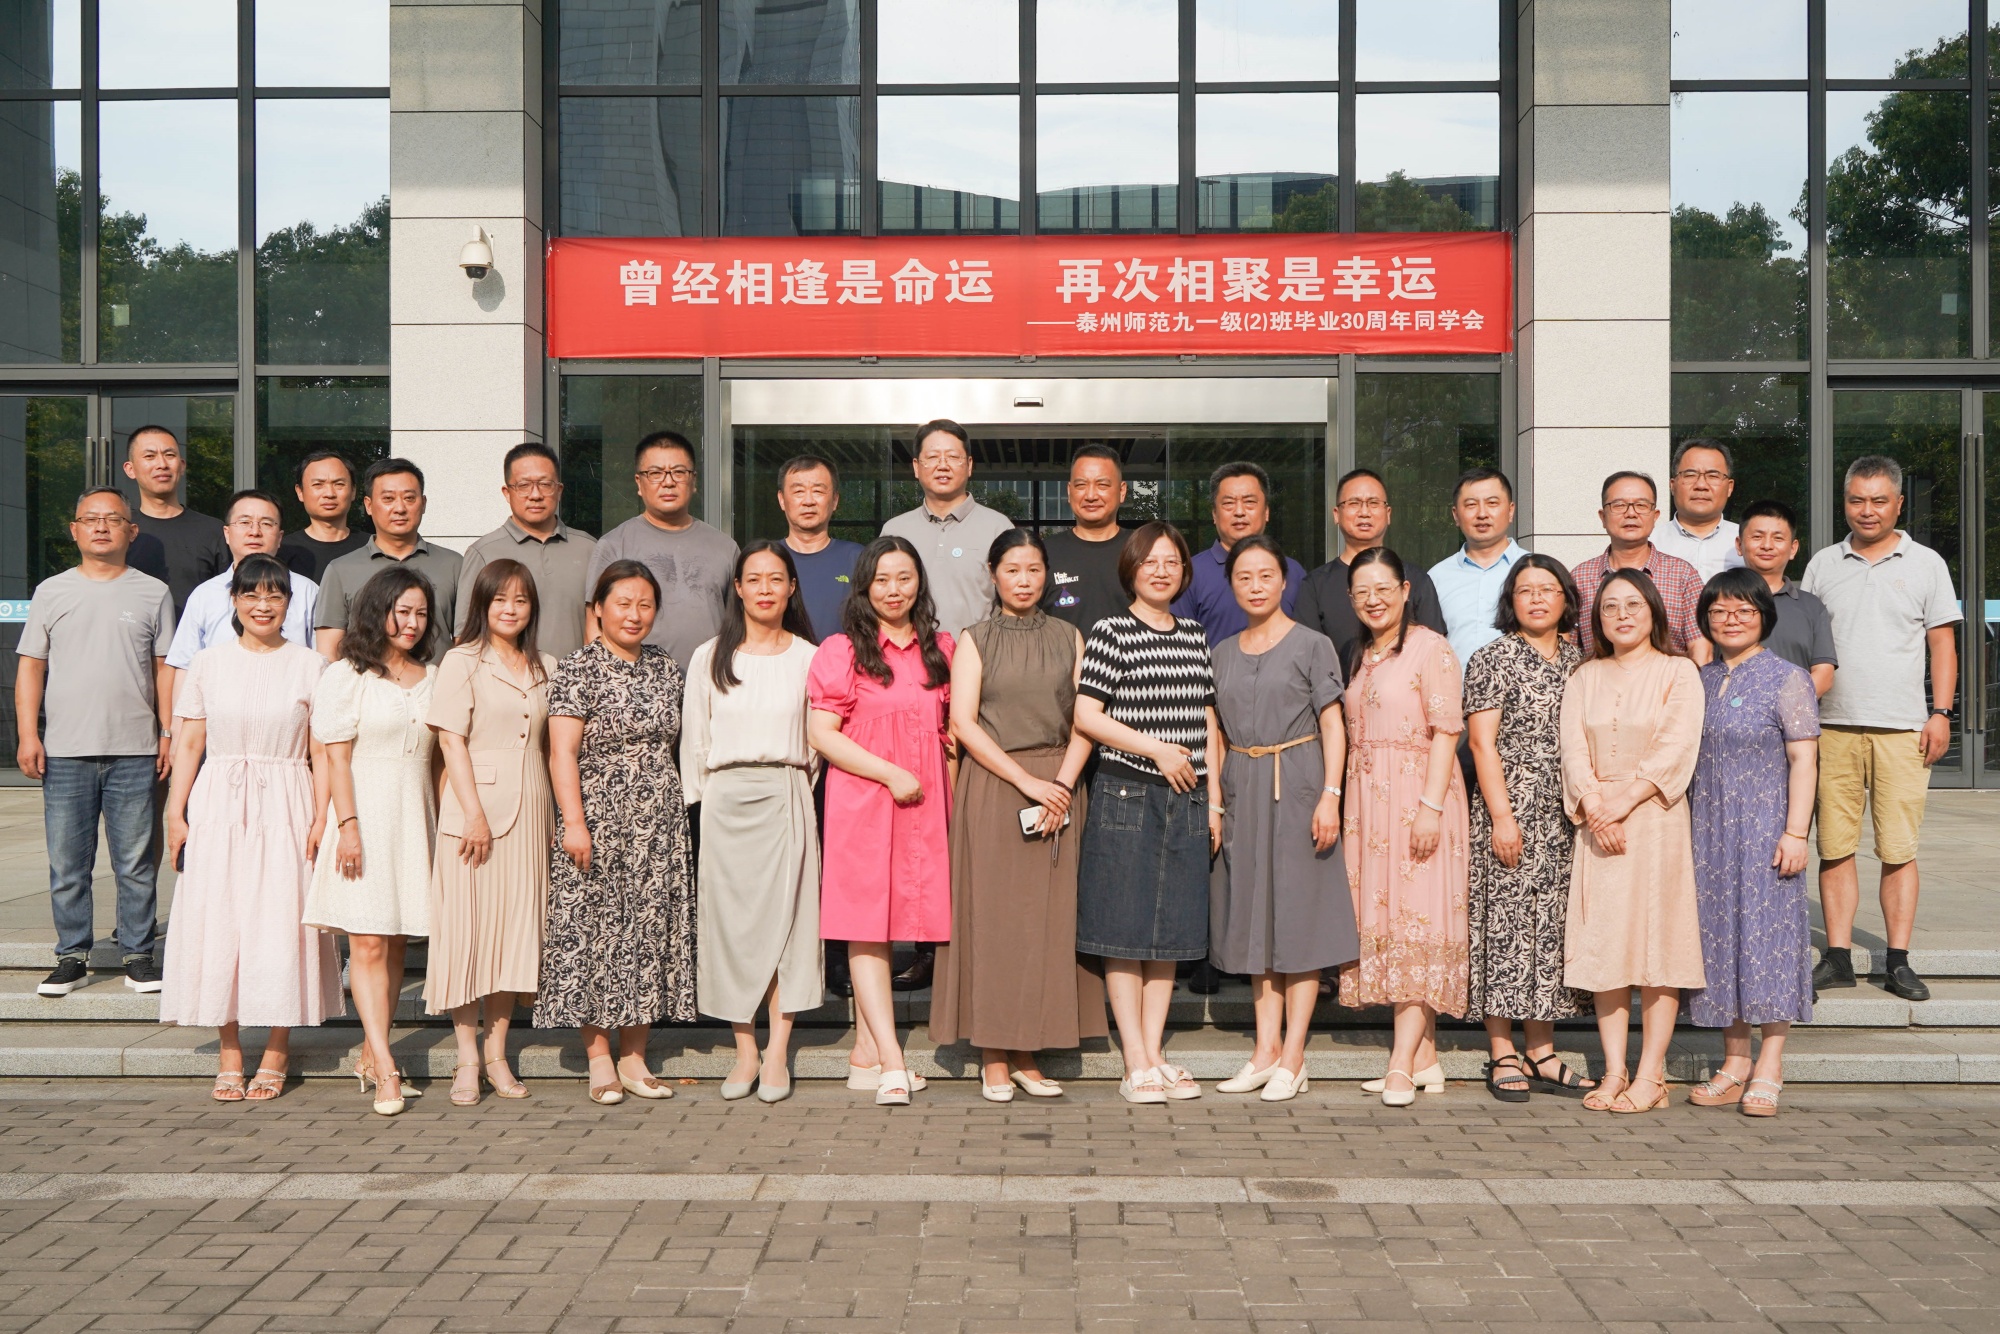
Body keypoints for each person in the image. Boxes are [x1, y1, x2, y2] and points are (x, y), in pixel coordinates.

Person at [158, 554, 339, 1102]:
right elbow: (190, 742)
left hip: (287, 799)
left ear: (289, 603)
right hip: (218, 800)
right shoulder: (208, 663)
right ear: (234, 601)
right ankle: (230, 1051)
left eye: (275, 595)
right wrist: (175, 812)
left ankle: (278, 1048)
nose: (264, 605)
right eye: (252, 595)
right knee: (219, 917)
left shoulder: (312, 665)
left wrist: (322, 817)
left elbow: (322, 751)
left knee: (282, 919)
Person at [932, 530, 1105, 1103]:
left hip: (1061, 784)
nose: (1024, 580)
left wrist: (1062, 785)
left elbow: (1086, 718)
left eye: (1034, 569)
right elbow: (963, 723)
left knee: (1049, 924)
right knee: (996, 922)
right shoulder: (974, 639)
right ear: (993, 574)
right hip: (996, 785)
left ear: (1046, 574)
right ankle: (994, 1053)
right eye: (1012, 569)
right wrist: (1027, 782)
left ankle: (1031, 1050)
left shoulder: (1070, 636)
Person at [1801, 455, 1961, 1004]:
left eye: (1878, 500)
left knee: (1898, 848)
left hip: (1902, 729)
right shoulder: (1823, 563)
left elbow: (1942, 644)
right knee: (1834, 846)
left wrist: (1941, 712)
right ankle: (1838, 957)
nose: (1866, 510)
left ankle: (1898, 960)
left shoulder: (1927, 563)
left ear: (1898, 503)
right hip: (1831, 727)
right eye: (1856, 500)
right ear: (1845, 502)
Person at [1073, 522, 1222, 1105]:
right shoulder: (1111, 631)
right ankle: (1133, 1057)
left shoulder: (1194, 635)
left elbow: (1207, 722)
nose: (1161, 571)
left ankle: (1155, 1052)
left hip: (1190, 797)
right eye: (1150, 561)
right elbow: (1087, 715)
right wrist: (1156, 749)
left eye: (1171, 562)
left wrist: (1215, 800)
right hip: (1127, 794)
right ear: (1131, 569)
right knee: (1125, 929)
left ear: (1184, 572)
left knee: (1172, 934)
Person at [539, 561, 697, 1105]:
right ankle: (598, 1057)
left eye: (644, 604)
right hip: (599, 817)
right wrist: (574, 822)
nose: (634, 614)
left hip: (659, 821)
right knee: (596, 931)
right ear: (599, 610)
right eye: (623, 603)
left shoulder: (665, 667)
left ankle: (634, 1055)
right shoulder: (577, 668)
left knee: (650, 930)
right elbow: (562, 753)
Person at [807, 536, 956, 1106]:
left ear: (919, 583)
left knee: (902, 922)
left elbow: (952, 732)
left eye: (904, 578)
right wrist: (890, 773)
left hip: (925, 804)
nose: (894, 590)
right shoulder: (842, 651)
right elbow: (822, 735)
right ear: (864, 587)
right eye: (882, 580)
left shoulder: (941, 648)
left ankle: (866, 1054)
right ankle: (894, 1061)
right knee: (867, 926)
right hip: (865, 800)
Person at [1207, 535, 1352, 1104]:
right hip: (1242, 785)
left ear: (1284, 581)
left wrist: (1330, 795)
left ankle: (1294, 1055)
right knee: (1254, 917)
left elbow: (1333, 724)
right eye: (1244, 577)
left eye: (1265, 575)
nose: (1255, 586)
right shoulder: (1221, 651)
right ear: (1231, 585)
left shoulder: (1313, 644)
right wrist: (1217, 801)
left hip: (1298, 782)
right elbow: (1215, 732)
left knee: (1298, 915)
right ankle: (1264, 1050)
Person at [15, 488, 174, 998]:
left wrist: (167, 733)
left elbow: (165, 670)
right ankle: (72, 956)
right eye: (91, 519)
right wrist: (28, 734)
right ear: (75, 529)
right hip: (65, 751)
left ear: (132, 530)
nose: (101, 527)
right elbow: (31, 667)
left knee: (135, 864)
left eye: (113, 519)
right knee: (68, 864)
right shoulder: (51, 591)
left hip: (135, 749)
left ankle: (138, 955)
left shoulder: (153, 592)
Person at [681, 542, 824, 1105]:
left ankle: (778, 1051)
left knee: (788, 925)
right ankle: (745, 1049)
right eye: (754, 579)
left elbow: (817, 744)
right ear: (737, 588)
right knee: (731, 928)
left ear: (792, 588)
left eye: (776, 578)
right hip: (724, 800)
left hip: (785, 792)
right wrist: (705, 805)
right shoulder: (709, 656)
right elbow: (696, 740)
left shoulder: (810, 657)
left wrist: (795, 789)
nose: (765, 588)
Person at [1560, 569, 1706, 1115]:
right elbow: (1573, 750)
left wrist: (1621, 802)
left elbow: (1676, 745)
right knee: (1607, 946)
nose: (1621, 615)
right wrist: (1595, 806)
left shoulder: (1678, 671)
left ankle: (1651, 1075)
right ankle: (1615, 1069)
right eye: (1610, 607)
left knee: (1658, 945)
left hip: (1655, 819)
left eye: (1633, 605)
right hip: (1598, 824)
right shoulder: (1584, 676)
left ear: (1653, 613)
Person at [303, 564, 441, 1117]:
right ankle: (385, 1066)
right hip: (362, 814)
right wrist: (348, 827)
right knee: (366, 944)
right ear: (377, 610)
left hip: (414, 817)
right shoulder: (347, 674)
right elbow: (335, 758)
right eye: (402, 611)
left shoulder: (433, 675)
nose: (412, 622)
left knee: (395, 942)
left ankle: (370, 1049)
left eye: (421, 613)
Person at [1685, 569, 1821, 1119]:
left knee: (1770, 940)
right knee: (1720, 941)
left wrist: (1796, 832)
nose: (1731, 619)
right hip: (1707, 832)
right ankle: (1735, 1060)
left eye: (1743, 610)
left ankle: (1770, 1063)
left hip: (1767, 829)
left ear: (1764, 615)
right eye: (1719, 611)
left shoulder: (1788, 678)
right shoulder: (1698, 679)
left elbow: (1804, 758)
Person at [1339, 547, 1470, 1108]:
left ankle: (1399, 1064)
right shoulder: (1360, 653)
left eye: (1383, 588)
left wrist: (1430, 807)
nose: (1373, 599)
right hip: (1369, 807)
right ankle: (1426, 1059)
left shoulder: (1430, 647)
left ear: (1405, 590)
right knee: (1392, 924)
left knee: (1418, 922)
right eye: (1362, 591)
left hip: (1419, 797)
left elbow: (1447, 731)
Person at [1463, 555, 1595, 1103]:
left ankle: (1542, 1051)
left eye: (1548, 589)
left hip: (1565, 815)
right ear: (1510, 601)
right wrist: (1502, 817)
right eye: (1525, 590)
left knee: (1552, 931)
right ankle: (1502, 1051)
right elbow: (1481, 743)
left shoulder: (1581, 661)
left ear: (1566, 599)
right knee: (1506, 926)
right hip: (1510, 809)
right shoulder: (1492, 658)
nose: (1537, 599)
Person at [426, 558, 557, 1106]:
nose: (510, 608)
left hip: (533, 810)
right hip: (472, 812)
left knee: (513, 936)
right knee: (467, 935)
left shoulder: (547, 665)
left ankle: (498, 1054)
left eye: (520, 599)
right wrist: (473, 813)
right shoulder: (461, 660)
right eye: (500, 598)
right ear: (482, 603)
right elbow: (449, 741)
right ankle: (466, 1059)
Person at [588, 430, 739, 673]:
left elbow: (740, 623)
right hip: (637, 686)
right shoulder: (614, 545)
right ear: (639, 483)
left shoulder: (725, 547)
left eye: (679, 472)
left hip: (712, 681)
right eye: (656, 473)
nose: (668, 482)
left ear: (694, 481)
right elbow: (594, 626)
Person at [164, 491, 319, 703]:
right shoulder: (204, 595)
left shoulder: (308, 592)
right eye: (244, 522)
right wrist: (178, 722)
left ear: (280, 537)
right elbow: (184, 668)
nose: (254, 532)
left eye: (266, 523)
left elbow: (322, 664)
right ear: (227, 534)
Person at [1293, 467, 1447, 667]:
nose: (1364, 512)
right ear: (1336, 514)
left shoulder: (1416, 579)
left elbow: (1434, 655)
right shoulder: (1315, 585)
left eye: (1374, 503)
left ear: (1388, 514)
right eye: (1354, 503)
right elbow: (1305, 659)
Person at [457, 443, 598, 659]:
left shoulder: (589, 549)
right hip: (508, 679)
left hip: (577, 678)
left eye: (545, 484)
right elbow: (466, 636)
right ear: (507, 493)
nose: (535, 495)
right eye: (523, 485)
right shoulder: (483, 553)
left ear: (559, 490)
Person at [315, 458, 464, 660]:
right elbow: (329, 651)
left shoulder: (454, 565)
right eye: (388, 499)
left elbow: (466, 641)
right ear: (368, 505)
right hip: (366, 679)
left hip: (437, 679)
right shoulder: (340, 570)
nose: (400, 508)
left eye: (409, 498)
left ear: (423, 504)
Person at [880, 418, 1014, 638]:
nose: (942, 465)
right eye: (932, 457)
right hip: (910, 657)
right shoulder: (894, 532)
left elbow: (1014, 605)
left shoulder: (999, 529)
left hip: (979, 656)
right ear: (916, 467)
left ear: (969, 465)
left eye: (953, 456)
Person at [1570, 471, 1706, 660]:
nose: (1631, 513)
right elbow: (1568, 650)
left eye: (1641, 505)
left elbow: (1701, 649)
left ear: (1655, 516)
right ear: (1602, 517)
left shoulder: (1683, 575)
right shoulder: (1580, 578)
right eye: (1619, 505)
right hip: (1597, 678)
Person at [1172, 461, 1306, 646]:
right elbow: (1178, 645)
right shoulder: (1190, 573)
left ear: (1266, 512)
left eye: (1249, 502)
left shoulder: (1292, 571)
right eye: (1228, 503)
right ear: (1214, 514)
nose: (1239, 512)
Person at [122, 425, 228, 617]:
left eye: (169, 455)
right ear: (130, 469)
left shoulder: (213, 531)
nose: (161, 464)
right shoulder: (120, 531)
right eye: (150, 456)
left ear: (182, 465)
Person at [1428, 467, 1528, 665]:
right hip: (1455, 686)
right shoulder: (1436, 577)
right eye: (1471, 505)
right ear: (1456, 515)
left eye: (1492, 503)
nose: (1482, 514)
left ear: (1510, 511)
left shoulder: (1537, 571)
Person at [1736, 499, 1836, 695]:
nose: (1767, 545)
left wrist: (1782, 707)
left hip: (1795, 712)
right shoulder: (1720, 602)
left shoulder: (1811, 607)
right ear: (1739, 545)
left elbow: (1824, 674)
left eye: (1778, 538)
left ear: (1793, 548)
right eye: (1757, 537)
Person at [1041, 445, 1132, 636]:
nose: (1091, 496)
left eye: (1102, 485)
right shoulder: (1043, 554)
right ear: (1069, 491)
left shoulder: (1143, 550)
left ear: (1122, 491)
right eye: (1081, 485)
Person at [776, 454, 865, 640]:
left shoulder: (857, 558)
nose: (808, 501)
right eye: (798, 491)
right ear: (782, 500)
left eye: (818, 491)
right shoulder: (767, 559)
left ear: (835, 500)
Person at [1651, 438, 1745, 583]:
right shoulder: (1650, 543)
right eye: (1690, 475)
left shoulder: (1749, 544)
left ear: (1730, 487)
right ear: (1673, 485)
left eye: (1713, 476)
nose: (1701, 485)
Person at [278, 451, 367, 579]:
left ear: (353, 491)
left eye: (339, 484)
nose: (329, 494)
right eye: (318, 485)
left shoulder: (372, 548)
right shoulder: (282, 552)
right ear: (300, 492)